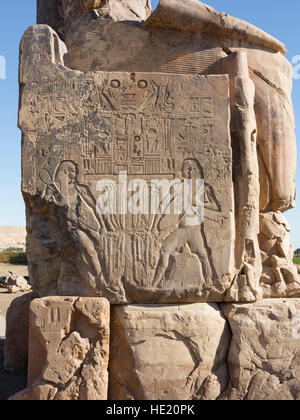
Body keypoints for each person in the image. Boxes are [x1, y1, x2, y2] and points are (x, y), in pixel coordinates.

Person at [152, 159, 218, 288]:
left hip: (194, 230)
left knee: (203, 255)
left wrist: (196, 202)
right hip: (181, 230)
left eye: (183, 169)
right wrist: (155, 225)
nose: (180, 171)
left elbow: (215, 206)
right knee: (165, 250)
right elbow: (163, 204)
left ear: (190, 170)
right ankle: (153, 284)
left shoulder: (202, 188)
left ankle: (209, 283)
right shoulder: (178, 187)